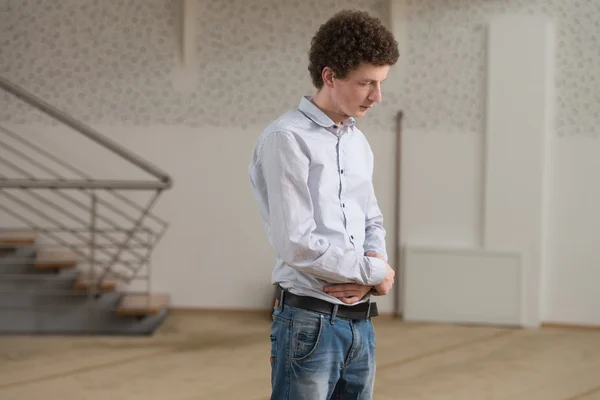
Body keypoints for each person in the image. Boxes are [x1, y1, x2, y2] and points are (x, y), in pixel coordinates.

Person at [248, 9, 399, 400]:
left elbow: (373, 219)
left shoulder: (357, 142)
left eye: (380, 83)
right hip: (308, 324)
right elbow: (297, 242)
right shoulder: (287, 139)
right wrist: (375, 272)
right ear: (330, 77)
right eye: (366, 83)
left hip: (360, 324)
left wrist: (374, 268)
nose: (377, 96)